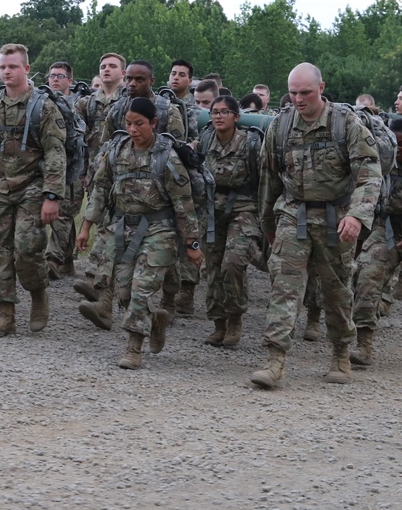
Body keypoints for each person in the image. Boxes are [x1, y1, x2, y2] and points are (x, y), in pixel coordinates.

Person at [251, 63, 381, 388]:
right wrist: (268, 223)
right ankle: (275, 361)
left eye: (305, 92)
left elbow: (369, 172)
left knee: (336, 291)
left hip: (336, 219)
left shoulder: (345, 123)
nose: (298, 99)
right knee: (284, 287)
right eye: (293, 92)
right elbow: (268, 179)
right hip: (292, 215)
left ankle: (340, 352)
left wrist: (357, 215)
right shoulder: (279, 127)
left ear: (321, 88)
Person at [77, 97, 202, 369]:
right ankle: (155, 320)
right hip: (123, 228)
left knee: (140, 289)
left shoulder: (167, 157)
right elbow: (100, 189)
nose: (133, 129)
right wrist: (86, 226)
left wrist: (192, 243)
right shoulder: (116, 151)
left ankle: (133, 348)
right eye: (128, 123)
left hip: (159, 230)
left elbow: (184, 204)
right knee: (121, 291)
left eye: (140, 124)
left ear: (154, 123)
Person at [0, 43, 66, 337]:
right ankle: (6, 314)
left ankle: (37, 294)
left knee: (27, 249)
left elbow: (56, 154)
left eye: (13, 67)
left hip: (32, 186)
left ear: (27, 69)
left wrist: (51, 196)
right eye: (3, 67)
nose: (7, 72)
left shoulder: (43, 107)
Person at [198, 96, 263, 347]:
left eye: (225, 112)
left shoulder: (251, 144)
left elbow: (264, 180)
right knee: (213, 267)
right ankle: (218, 322)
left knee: (233, 263)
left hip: (244, 208)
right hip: (212, 210)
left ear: (236, 116)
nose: (218, 116)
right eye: (214, 112)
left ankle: (235, 318)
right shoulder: (205, 140)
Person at [72, 53, 126, 302]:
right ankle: (96, 278)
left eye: (112, 66)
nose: (106, 70)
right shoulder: (86, 103)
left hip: (122, 173)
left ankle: (98, 280)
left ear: (122, 73)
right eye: (103, 66)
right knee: (101, 223)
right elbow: (77, 141)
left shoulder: (128, 101)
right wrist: (82, 172)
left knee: (109, 226)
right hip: (96, 171)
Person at [349, 119, 402, 367]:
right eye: (396, 144)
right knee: (366, 276)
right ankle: (364, 344)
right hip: (388, 228)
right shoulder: (381, 164)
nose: (399, 150)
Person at [43, 62, 84, 278]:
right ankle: (67, 259)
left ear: (70, 81)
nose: (55, 80)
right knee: (63, 214)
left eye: (60, 76)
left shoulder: (80, 105)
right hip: (48, 166)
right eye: (52, 76)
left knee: (65, 213)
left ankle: (52, 258)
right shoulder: (40, 103)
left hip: (72, 167)